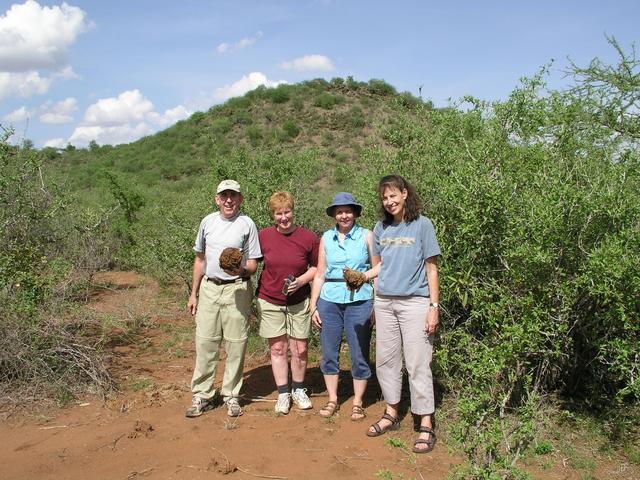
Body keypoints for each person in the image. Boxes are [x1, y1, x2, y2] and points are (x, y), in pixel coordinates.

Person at [365, 175, 441, 454]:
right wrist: (364, 282)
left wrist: (434, 308)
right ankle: (391, 413)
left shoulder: (422, 225)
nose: (389, 201)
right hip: (385, 302)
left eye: (393, 195)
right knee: (386, 360)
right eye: (385, 197)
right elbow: (379, 268)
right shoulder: (380, 228)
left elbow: (432, 268)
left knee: (418, 362)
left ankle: (426, 423)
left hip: (415, 303)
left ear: (405, 194)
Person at [185, 179, 262, 418]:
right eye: (224, 195)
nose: (229, 200)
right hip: (209, 288)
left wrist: (239, 270)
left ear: (240, 199)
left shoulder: (247, 224)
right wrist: (193, 293)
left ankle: (231, 395)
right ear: (217, 199)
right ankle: (203, 394)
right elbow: (199, 259)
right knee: (206, 342)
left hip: (237, 289)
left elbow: (253, 264)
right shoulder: (207, 222)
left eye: (233, 195)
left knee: (236, 343)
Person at [310, 192, 375, 421]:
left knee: (359, 351)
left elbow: (377, 269)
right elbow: (320, 273)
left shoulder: (367, 235)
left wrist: (375, 303)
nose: (344, 215)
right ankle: (332, 399)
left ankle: (357, 402)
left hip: (361, 298)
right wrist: (313, 305)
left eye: (348, 211)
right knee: (329, 350)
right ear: (334, 215)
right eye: (339, 211)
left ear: (355, 213)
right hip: (330, 299)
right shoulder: (326, 238)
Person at [256, 192, 319, 414]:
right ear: (272, 215)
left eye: (287, 212)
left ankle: (299, 389)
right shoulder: (263, 236)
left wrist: (301, 281)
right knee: (278, 347)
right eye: (278, 213)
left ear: (293, 210)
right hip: (270, 299)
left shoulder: (309, 238)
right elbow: (253, 263)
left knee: (299, 348)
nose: (284, 217)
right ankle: (283, 392)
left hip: (299, 300)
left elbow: (317, 267)